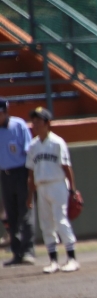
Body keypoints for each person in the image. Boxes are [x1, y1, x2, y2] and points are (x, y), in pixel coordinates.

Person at [26, 107, 80, 273]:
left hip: (57, 185)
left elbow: (67, 167)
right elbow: (31, 173)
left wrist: (72, 190)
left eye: (38, 121)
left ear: (47, 123)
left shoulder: (57, 142)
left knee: (60, 220)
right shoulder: (33, 145)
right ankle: (53, 261)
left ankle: (72, 259)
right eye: (33, 121)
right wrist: (30, 196)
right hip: (41, 187)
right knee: (46, 224)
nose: (35, 124)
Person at [0, 97, 35, 266]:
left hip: (21, 172)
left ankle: (28, 251)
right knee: (11, 215)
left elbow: (29, 151)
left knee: (25, 213)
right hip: (5, 174)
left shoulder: (18, 125)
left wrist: (30, 176)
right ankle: (16, 253)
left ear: (6, 112)